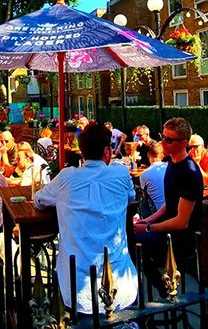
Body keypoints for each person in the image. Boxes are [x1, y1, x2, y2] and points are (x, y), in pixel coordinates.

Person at [34, 122, 136, 314]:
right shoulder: (121, 173)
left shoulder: (67, 177)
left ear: (82, 151)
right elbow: (131, 196)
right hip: (122, 284)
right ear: (107, 152)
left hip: (78, 287)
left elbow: (39, 200)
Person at [134, 117, 204, 296]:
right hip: (170, 231)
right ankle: (163, 289)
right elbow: (169, 204)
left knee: (133, 243)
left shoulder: (188, 172)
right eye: (163, 137)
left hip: (181, 239)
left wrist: (148, 228)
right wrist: (147, 220)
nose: (163, 143)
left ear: (184, 143)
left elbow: (182, 222)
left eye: (169, 140)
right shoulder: (172, 163)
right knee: (131, 236)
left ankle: (163, 291)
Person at [138, 142, 166, 218]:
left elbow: (144, 196)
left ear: (148, 155)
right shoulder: (170, 168)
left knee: (141, 196)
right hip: (174, 210)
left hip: (157, 214)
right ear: (162, 155)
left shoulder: (144, 174)